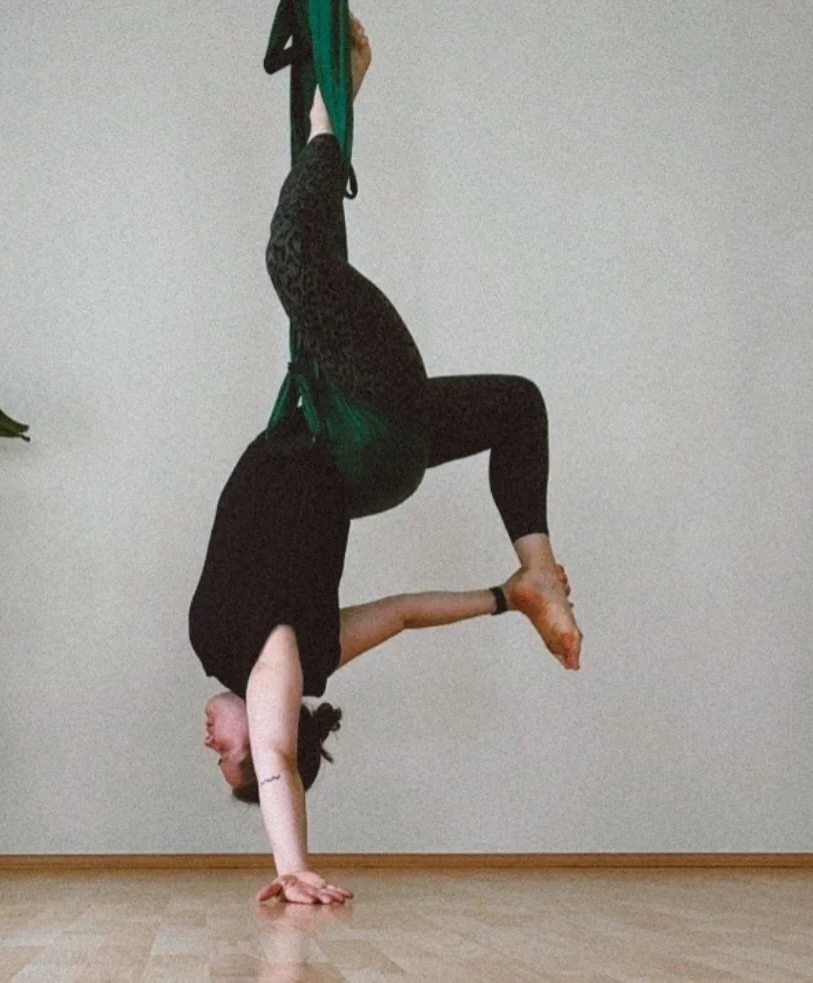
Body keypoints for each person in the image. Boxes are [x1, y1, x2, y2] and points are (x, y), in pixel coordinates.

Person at [188, 16, 582, 907]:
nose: (216, 746)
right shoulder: (274, 663)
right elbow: (281, 755)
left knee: (517, 406)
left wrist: (496, 600)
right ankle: (345, 86)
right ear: (263, 726)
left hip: (365, 453)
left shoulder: (299, 650)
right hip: (356, 431)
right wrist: (289, 867)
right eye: (230, 759)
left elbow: (402, 613)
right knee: (294, 256)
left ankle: (534, 577)